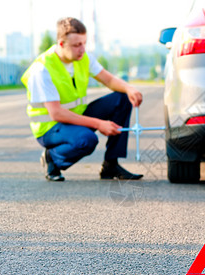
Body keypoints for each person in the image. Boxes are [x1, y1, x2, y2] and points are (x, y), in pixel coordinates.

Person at [21, 17, 143, 182]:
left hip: (75, 118)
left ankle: (111, 165)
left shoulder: (83, 57)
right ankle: (53, 158)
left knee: (122, 98)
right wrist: (99, 124)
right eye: (77, 45)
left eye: (84, 43)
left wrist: (129, 89)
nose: (82, 49)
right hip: (50, 128)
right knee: (87, 140)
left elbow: (109, 80)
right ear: (61, 44)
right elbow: (56, 114)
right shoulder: (42, 69)